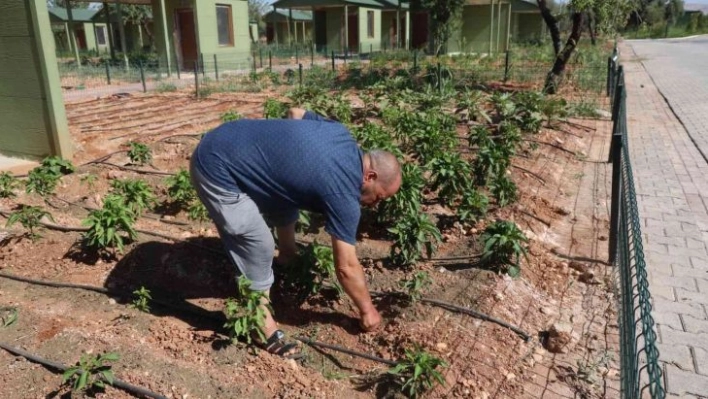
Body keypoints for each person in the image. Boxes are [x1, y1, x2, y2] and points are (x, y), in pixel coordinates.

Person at [190, 107, 402, 357]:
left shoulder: (341, 134)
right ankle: (262, 325)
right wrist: (368, 311)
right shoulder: (344, 192)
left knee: (288, 192)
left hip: (226, 136)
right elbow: (346, 267)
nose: (374, 204)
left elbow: (294, 113)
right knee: (259, 243)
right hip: (214, 168)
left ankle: (288, 256)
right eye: (379, 196)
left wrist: (287, 151)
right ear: (370, 175)